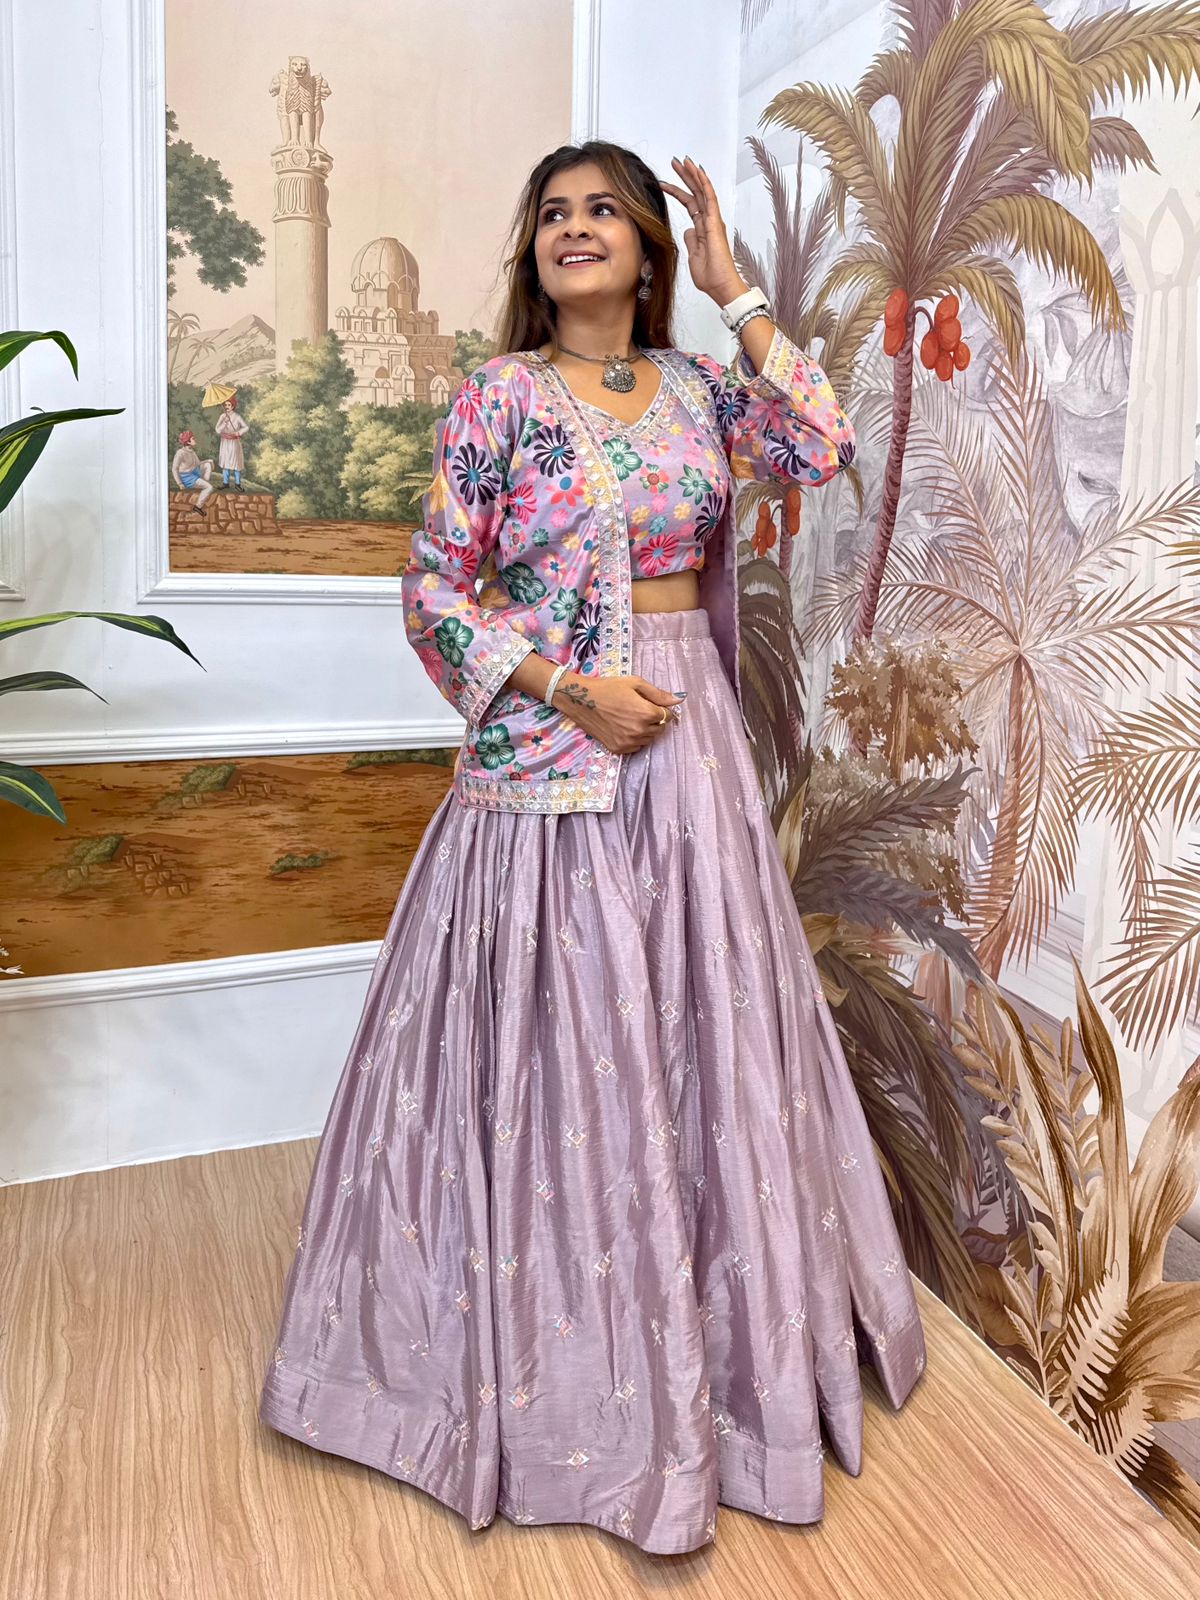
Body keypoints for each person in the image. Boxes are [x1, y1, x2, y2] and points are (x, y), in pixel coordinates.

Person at [258, 140, 926, 1555]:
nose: (575, 229)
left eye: (603, 210)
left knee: (697, 1022)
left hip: (690, 746)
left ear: (647, 248)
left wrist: (742, 296)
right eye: (554, 214)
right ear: (535, 252)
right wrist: (568, 690)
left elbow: (822, 445)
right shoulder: (498, 398)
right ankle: (555, 1373)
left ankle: (720, 1356)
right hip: (555, 750)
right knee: (564, 1042)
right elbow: (434, 590)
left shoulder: (697, 390)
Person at [170, 431, 214, 514]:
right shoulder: (180, 453)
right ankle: (198, 507)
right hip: (187, 477)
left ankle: (204, 485)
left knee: (207, 464)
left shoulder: (192, 451)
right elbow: (174, 469)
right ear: (188, 442)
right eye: (193, 438)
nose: (195, 439)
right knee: (210, 488)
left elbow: (198, 463)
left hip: (193, 472)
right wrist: (179, 483)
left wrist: (208, 461)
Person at [214, 395, 248, 488]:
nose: (227, 407)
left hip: (234, 442)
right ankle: (225, 483)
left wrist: (238, 432)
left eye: (229, 405)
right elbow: (217, 430)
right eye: (225, 405)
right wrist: (224, 423)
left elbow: (246, 427)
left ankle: (237, 484)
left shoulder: (237, 416)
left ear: (233, 406)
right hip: (225, 442)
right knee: (225, 462)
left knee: (236, 462)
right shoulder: (222, 416)